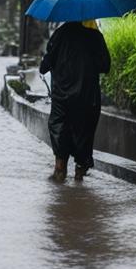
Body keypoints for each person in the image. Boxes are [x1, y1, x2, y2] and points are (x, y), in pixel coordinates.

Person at [39, 20, 111, 181]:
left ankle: (60, 168)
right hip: (87, 96)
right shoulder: (95, 37)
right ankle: (80, 171)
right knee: (84, 130)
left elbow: (45, 65)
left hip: (61, 95)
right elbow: (105, 65)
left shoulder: (59, 35)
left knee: (59, 128)